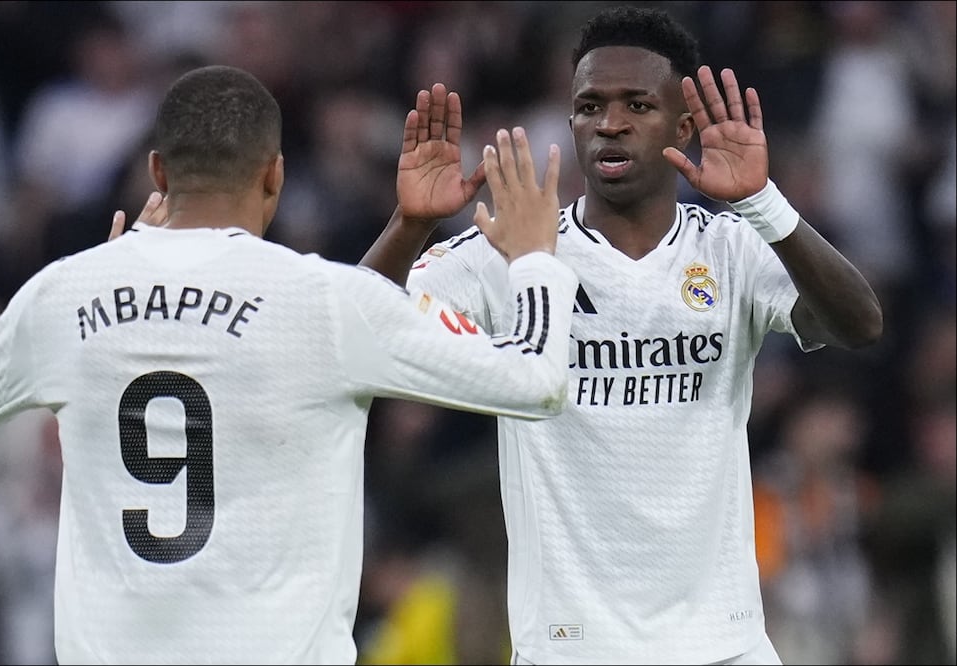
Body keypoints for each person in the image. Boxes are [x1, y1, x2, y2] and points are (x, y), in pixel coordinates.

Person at [0, 65, 579, 665]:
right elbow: (534, 382)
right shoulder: (320, 301)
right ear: (274, 175)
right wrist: (534, 258)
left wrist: (94, 295)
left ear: (157, 173)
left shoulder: (63, 293)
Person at [359, 6, 883, 665]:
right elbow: (354, 330)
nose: (609, 123)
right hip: (572, 648)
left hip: (723, 644)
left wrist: (761, 202)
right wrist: (408, 225)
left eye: (637, 104)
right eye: (589, 106)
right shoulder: (514, 249)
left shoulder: (730, 250)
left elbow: (859, 323)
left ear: (683, 124)